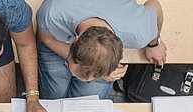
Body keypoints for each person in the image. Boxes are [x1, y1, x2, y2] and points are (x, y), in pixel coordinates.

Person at [36, 0, 167, 99]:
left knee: (85, 105)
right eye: (67, 65)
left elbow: (154, 6)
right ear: (74, 41)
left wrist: (154, 44)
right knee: (55, 96)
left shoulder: (139, 32)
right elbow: (47, 39)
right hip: (56, 36)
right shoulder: (52, 13)